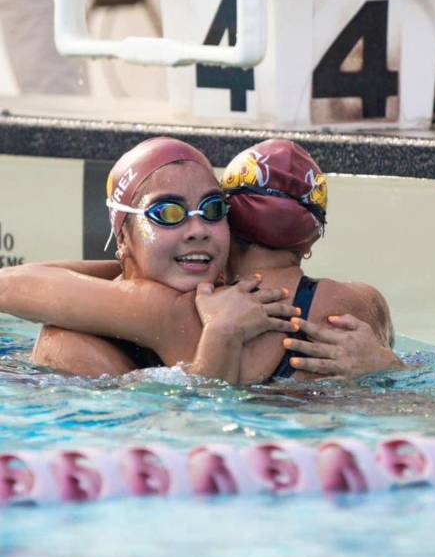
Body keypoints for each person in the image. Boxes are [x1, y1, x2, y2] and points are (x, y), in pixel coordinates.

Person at [0, 137, 403, 383]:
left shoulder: (173, 311)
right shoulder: (365, 305)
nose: (197, 229)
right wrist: (389, 368)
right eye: (169, 213)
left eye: (212, 210)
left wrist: (129, 265)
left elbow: (10, 285)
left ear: (234, 224)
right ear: (311, 238)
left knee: (62, 341)